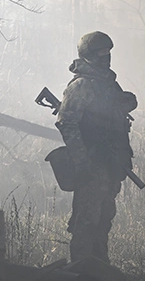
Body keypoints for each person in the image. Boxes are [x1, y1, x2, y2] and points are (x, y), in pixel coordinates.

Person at [56, 31, 137, 263]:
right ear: (89, 55)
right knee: (86, 222)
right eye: (101, 53)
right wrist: (82, 162)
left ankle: (100, 270)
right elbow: (66, 123)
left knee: (104, 219)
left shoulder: (107, 84)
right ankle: (81, 274)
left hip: (111, 163)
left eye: (108, 53)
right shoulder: (81, 85)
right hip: (92, 163)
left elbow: (119, 108)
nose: (106, 57)